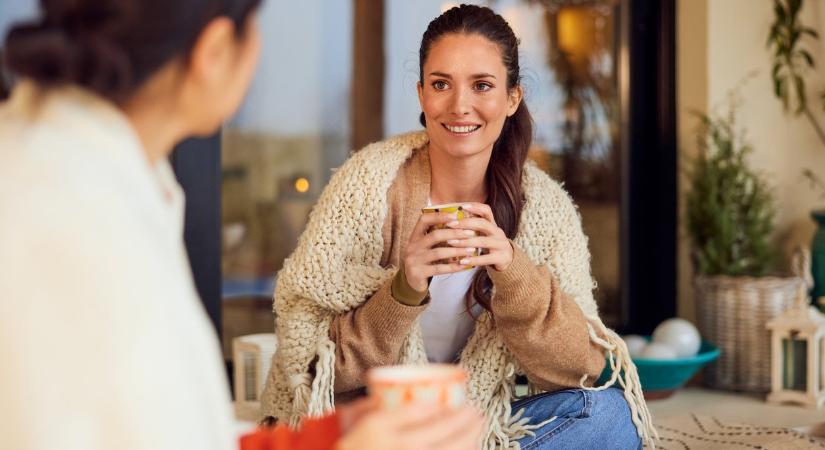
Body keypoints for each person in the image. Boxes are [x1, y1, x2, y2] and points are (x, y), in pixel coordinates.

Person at [0, 1, 482, 449]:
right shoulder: (71, 216)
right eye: (256, 30)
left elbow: (175, 433)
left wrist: (331, 435)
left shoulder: (102, 171)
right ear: (213, 52)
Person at [261, 4, 657, 450]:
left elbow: (582, 367)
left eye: (482, 85)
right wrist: (403, 289)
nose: (459, 105)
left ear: (512, 98)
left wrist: (514, 272)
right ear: (421, 94)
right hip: (376, 427)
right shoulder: (369, 185)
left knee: (607, 414)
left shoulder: (545, 208)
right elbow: (312, 370)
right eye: (441, 84)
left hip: (475, 426)